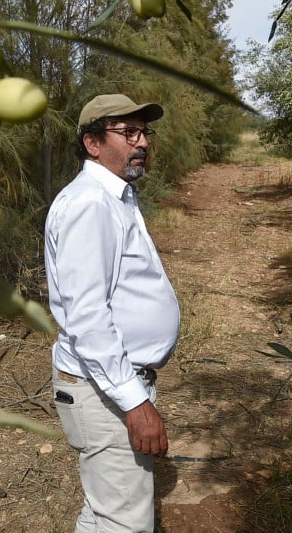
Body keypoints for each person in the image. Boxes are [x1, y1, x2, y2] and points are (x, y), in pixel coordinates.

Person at [45, 93, 181, 533]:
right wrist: (136, 404)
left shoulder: (116, 195)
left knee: (105, 513)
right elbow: (87, 319)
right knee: (124, 523)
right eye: (129, 133)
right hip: (103, 391)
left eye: (144, 133)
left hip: (106, 384)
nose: (141, 143)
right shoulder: (91, 203)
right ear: (93, 143)